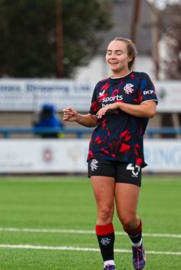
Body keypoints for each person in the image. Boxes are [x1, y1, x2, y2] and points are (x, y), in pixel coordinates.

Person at [62, 37, 157, 270]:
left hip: (129, 154)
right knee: (104, 210)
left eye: (118, 52)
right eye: (109, 52)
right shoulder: (101, 86)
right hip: (100, 152)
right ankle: (109, 263)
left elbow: (149, 110)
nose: (112, 56)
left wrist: (120, 105)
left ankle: (137, 243)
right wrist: (78, 117)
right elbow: (95, 118)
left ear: (130, 57)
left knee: (128, 219)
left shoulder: (140, 80)